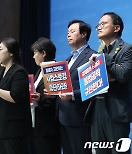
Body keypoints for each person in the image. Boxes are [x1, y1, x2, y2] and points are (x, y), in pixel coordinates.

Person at [88, 12, 132, 154]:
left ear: (116, 28)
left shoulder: (127, 49)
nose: (99, 27)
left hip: (116, 110)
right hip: (98, 108)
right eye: (98, 25)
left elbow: (122, 75)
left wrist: (104, 58)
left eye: (103, 24)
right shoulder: (99, 53)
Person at [56, 20, 95, 154]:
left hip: (80, 118)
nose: (68, 35)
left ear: (83, 34)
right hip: (63, 118)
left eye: (72, 32)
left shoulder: (92, 56)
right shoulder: (67, 60)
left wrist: (72, 95)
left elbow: (93, 87)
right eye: (67, 33)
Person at [30, 37, 60, 154]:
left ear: (43, 53)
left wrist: (40, 98)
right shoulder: (40, 71)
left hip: (49, 125)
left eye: (35, 53)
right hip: (39, 123)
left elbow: (54, 97)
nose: (33, 57)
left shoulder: (54, 69)